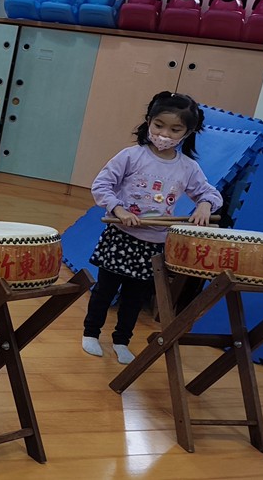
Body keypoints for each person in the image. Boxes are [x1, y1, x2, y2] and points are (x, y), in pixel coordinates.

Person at [82, 91, 223, 365]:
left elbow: (209, 193)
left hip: (154, 243)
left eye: (175, 129)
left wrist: (205, 206)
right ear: (149, 121)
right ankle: (91, 332)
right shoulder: (131, 156)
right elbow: (101, 185)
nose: (164, 134)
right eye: (159, 125)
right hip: (121, 236)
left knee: (135, 297)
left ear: (188, 132)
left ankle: (122, 340)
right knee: (105, 291)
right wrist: (119, 209)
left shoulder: (187, 167)